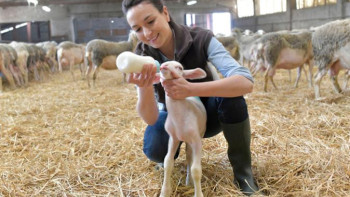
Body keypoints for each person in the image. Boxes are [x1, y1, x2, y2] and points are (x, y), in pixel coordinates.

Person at [121, 0, 260, 195]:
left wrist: (191, 90)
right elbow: (150, 119)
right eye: (137, 29)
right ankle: (170, 159)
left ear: (166, 14)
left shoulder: (201, 38)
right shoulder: (143, 55)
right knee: (154, 149)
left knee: (232, 96)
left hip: (207, 115)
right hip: (173, 117)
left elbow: (245, 82)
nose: (147, 33)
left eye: (150, 21)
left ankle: (244, 175)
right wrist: (143, 88)